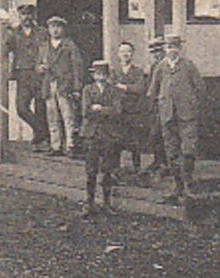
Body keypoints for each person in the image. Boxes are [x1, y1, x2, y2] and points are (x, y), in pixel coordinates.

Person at [152, 34, 206, 204]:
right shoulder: (161, 67)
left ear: (179, 49)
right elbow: (153, 90)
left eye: (174, 47)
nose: (172, 50)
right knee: (171, 151)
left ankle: (188, 186)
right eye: (168, 47)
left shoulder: (188, 66)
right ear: (165, 50)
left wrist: (191, 105)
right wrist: (161, 105)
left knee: (188, 149)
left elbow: (200, 88)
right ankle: (177, 186)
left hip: (186, 116)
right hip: (167, 116)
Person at [80, 59, 125, 216]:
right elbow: (85, 111)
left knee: (107, 170)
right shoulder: (87, 90)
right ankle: (89, 203)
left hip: (108, 134)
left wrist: (99, 109)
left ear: (107, 75)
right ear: (93, 75)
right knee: (91, 170)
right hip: (91, 134)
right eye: (98, 73)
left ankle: (107, 203)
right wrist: (103, 110)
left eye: (104, 74)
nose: (101, 76)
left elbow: (117, 111)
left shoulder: (114, 91)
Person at [39, 16, 84, 157]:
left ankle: (71, 145)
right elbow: (37, 64)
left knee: (68, 116)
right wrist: (40, 68)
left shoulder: (69, 45)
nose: (55, 30)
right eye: (52, 27)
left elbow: (77, 68)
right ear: (48, 29)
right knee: (52, 117)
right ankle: (56, 146)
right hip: (49, 84)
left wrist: (77, 87)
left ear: (63, 29)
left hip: (65, 85)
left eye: (58, 27)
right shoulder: (44, 46)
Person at [5, 4, 48, 148]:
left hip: (39, 73)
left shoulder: (42, 32)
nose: (27, 17)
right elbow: (5, 49)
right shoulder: (14, 33)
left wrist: (43, 65)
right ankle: (42, 131)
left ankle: (40, 138)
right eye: (23, 14)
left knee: (41, 107)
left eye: (29, 14)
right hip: (22, 73)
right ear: (19, 16)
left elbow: (49, 51)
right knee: (21, 108)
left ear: (34, 16)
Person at [113, 40, 151, 175]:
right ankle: (117, 168)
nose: (125, 54)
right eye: (122, 51)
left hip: (134, 111)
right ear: (118, 54)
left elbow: (140, 88)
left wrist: (124, 87)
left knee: (135, 141)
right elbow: (111, 89)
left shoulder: (138, 71)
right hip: (119, 111)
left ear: (132, 54)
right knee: (117, 140)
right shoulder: (114, 72)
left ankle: (136, 168)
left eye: (128, 51)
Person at [143, 36, 170, 177]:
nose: (156, 55)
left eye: (158, 51)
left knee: (164, 133)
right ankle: (158, 160)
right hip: (154, 105)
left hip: (165, 104)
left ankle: (166, 163)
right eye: (153, 52)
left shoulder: (166, 66)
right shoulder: (154, 66)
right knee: (155, 134)